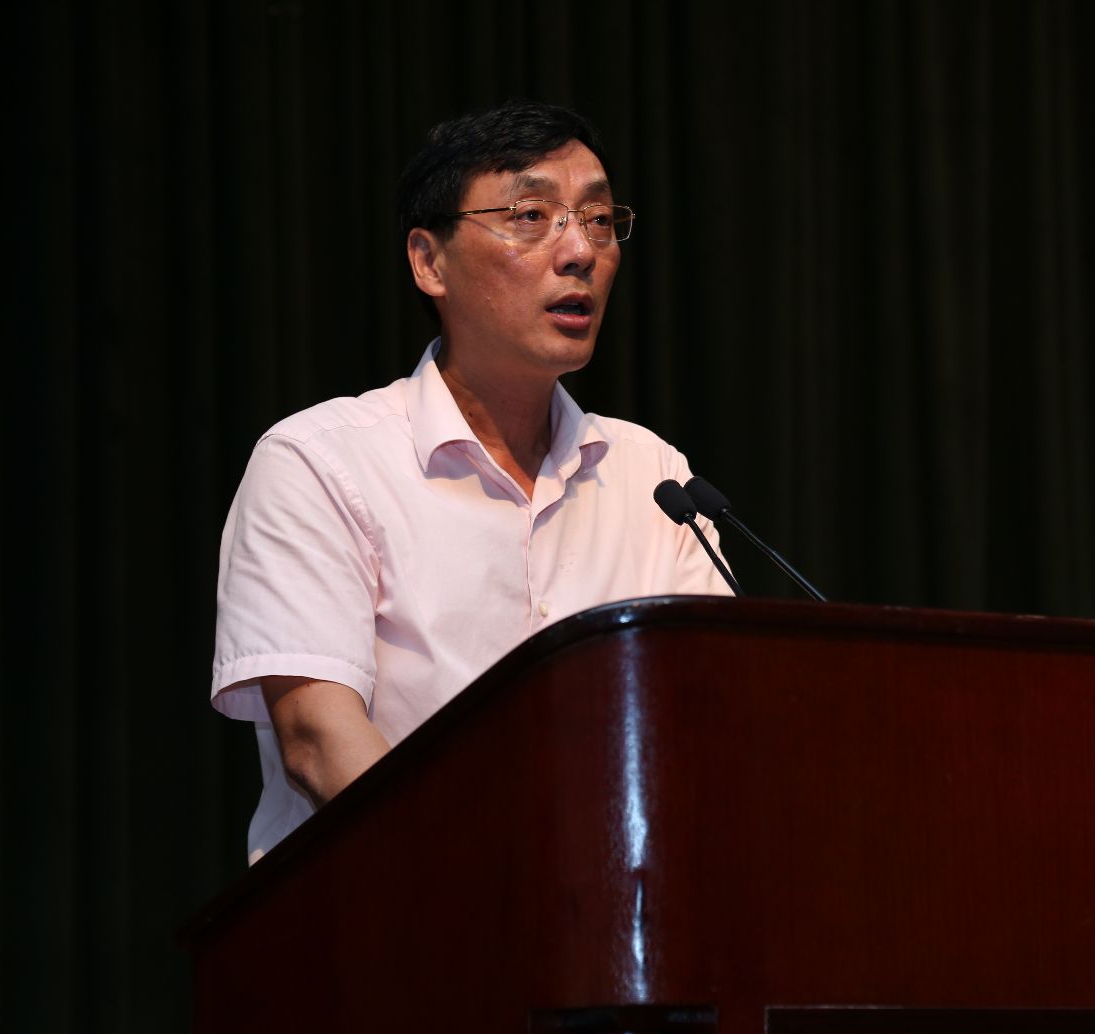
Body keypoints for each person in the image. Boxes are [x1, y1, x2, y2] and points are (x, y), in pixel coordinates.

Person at [211, 101, 732, 863]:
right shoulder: (319, 462)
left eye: (598, 220)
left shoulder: (656, 478)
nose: (579, 251)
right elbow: (319, 740)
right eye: (531, 216)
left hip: (616, 918)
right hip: (383, 917)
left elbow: (705, 722)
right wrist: (493, 886)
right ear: (429, 261)